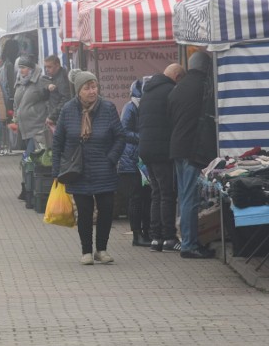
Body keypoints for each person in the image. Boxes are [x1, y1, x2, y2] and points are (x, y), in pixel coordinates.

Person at [51, 70, 125, 265]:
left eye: (94, 87)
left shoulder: (108, 108)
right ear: (79, 91)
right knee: (84, 212)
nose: (92, 91)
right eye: (88, 88)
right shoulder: (68, 110)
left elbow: (120, 136)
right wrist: (57, 169)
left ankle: (102, 249)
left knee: (106, 209)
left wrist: (111, 158)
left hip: (103, 168)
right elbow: (58, 140)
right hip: (78, 170)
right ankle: (86, 251)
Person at [168, 51, 216, 259]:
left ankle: (187, 239)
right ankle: (189, 244)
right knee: (190, 198)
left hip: (177, 148)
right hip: (192, 150)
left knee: (183, 196)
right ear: (206, 68)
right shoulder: (204, 87)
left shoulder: (178, 88)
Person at [139, 63, 186, 252]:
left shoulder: (147, 92)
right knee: (167, 194)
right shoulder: (170, 91)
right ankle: (168, 237)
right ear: (178, 77)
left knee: (156, 193)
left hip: (146, 149)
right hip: (162, 149)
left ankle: (155, 238)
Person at [118, 78, 152, 247]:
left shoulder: (136, 107)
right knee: (136, 198)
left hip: (140, 159)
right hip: (131, 161)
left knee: (146, 197)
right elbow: (124, 132)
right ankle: (137, 234)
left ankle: (146, 232)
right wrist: (144, 138)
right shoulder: (130, 108)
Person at [13, 54, 48, 200]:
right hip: (25, 128)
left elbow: (49, 99)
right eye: (20, 67)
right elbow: (18, 103)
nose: (21, 70)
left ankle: (29, 190)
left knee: (28, 158)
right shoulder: (20, 82)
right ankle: (27, 188)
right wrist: (15, 115)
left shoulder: (39, 81)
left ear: (31, 69)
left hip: (37, 127)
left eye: (24, 68)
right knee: (28, 159)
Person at [42, 54, 73, 123]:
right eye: (46, 67)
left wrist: (52, 116)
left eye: (49, 67)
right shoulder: (54, 76)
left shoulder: (62, 78)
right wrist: (47, 86)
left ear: (57, 65)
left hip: (60, 119)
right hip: (56, 117)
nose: (47, 70)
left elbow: (66, 99)